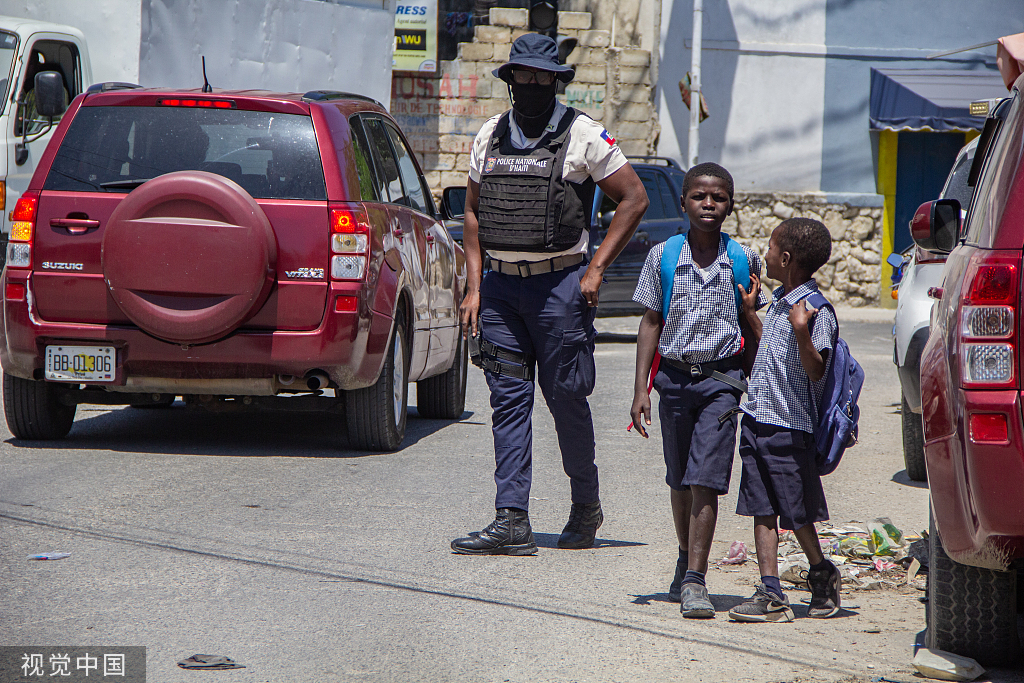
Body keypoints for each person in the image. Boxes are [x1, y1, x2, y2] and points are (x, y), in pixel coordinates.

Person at [450, 33, 649, 556]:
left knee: (565, 402)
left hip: (559, 290)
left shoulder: (582, 133)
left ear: (557, 80)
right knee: (508, 402)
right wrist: (474, 288)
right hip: (498, 295)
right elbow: (471, 211)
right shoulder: (489, 135)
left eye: (543, 76)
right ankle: (511, 519)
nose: (532, 84)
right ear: (511, 79)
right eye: (523, 75)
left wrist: (596, 269)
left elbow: (634, 197)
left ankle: (585, 506)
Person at [630, 162, 768, 617]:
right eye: (699, 197)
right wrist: (640, 390)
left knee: (706, 478)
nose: (709, 205)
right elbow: (651, 321)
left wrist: (750, 316)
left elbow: (756, 329)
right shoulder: (663, 256)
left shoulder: (744, 259)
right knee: (680, 480)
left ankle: (696, 579)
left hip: (722, 383)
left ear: (731, 204)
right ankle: (685, 557)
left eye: (719, 198)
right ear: (685, 201)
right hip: (672, 380)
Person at [727, 217, 843, 622]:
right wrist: (751, 314)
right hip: (757, 418)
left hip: (790, 427)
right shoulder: (778, 302)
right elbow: (770, 354)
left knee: (796, 513)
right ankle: (771, 592)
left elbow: (816, 371)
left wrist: (801, 333)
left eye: (772, 247)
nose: (766, 253)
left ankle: (821, 571)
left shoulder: (816, 312)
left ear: (787, 257)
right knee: (761, 507)